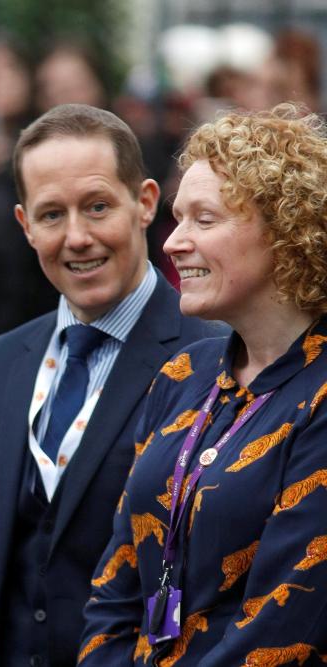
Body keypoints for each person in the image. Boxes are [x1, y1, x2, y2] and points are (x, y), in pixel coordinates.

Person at [0, 104, 220, 667]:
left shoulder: (213, 359)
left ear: (146, 203)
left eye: (98, 206)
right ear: (25, 225)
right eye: (52, 215)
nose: (77, 237)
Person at [79, 104, 327, 665]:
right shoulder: (182, 376)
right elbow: (116, 579)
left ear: (286, 231)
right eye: (176, 216)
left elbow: (286, 624)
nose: (172, 241)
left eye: (204, 219)